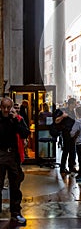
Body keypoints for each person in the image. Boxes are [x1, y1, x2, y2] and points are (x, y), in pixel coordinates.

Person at [0, 97, 30, 226]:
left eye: (8, 107)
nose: (6, 110)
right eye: (4, 107)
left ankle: (16, 212)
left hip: (12, 154)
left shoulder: (17, 119)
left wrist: (16, 119)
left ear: (11, 107)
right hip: (0, 153)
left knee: (15, 185)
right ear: (1, 107)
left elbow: (25, 133)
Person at [54, 100, 77, 174]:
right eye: (74, 103)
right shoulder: (64, 111)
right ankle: (62, 168)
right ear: (71, 104)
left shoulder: (73, 112)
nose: (75, 105)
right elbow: (56, 121)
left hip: (73, 133)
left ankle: (71, 166)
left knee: (72, 150)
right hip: (66, 133)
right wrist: (62, 116)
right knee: (66, 150)